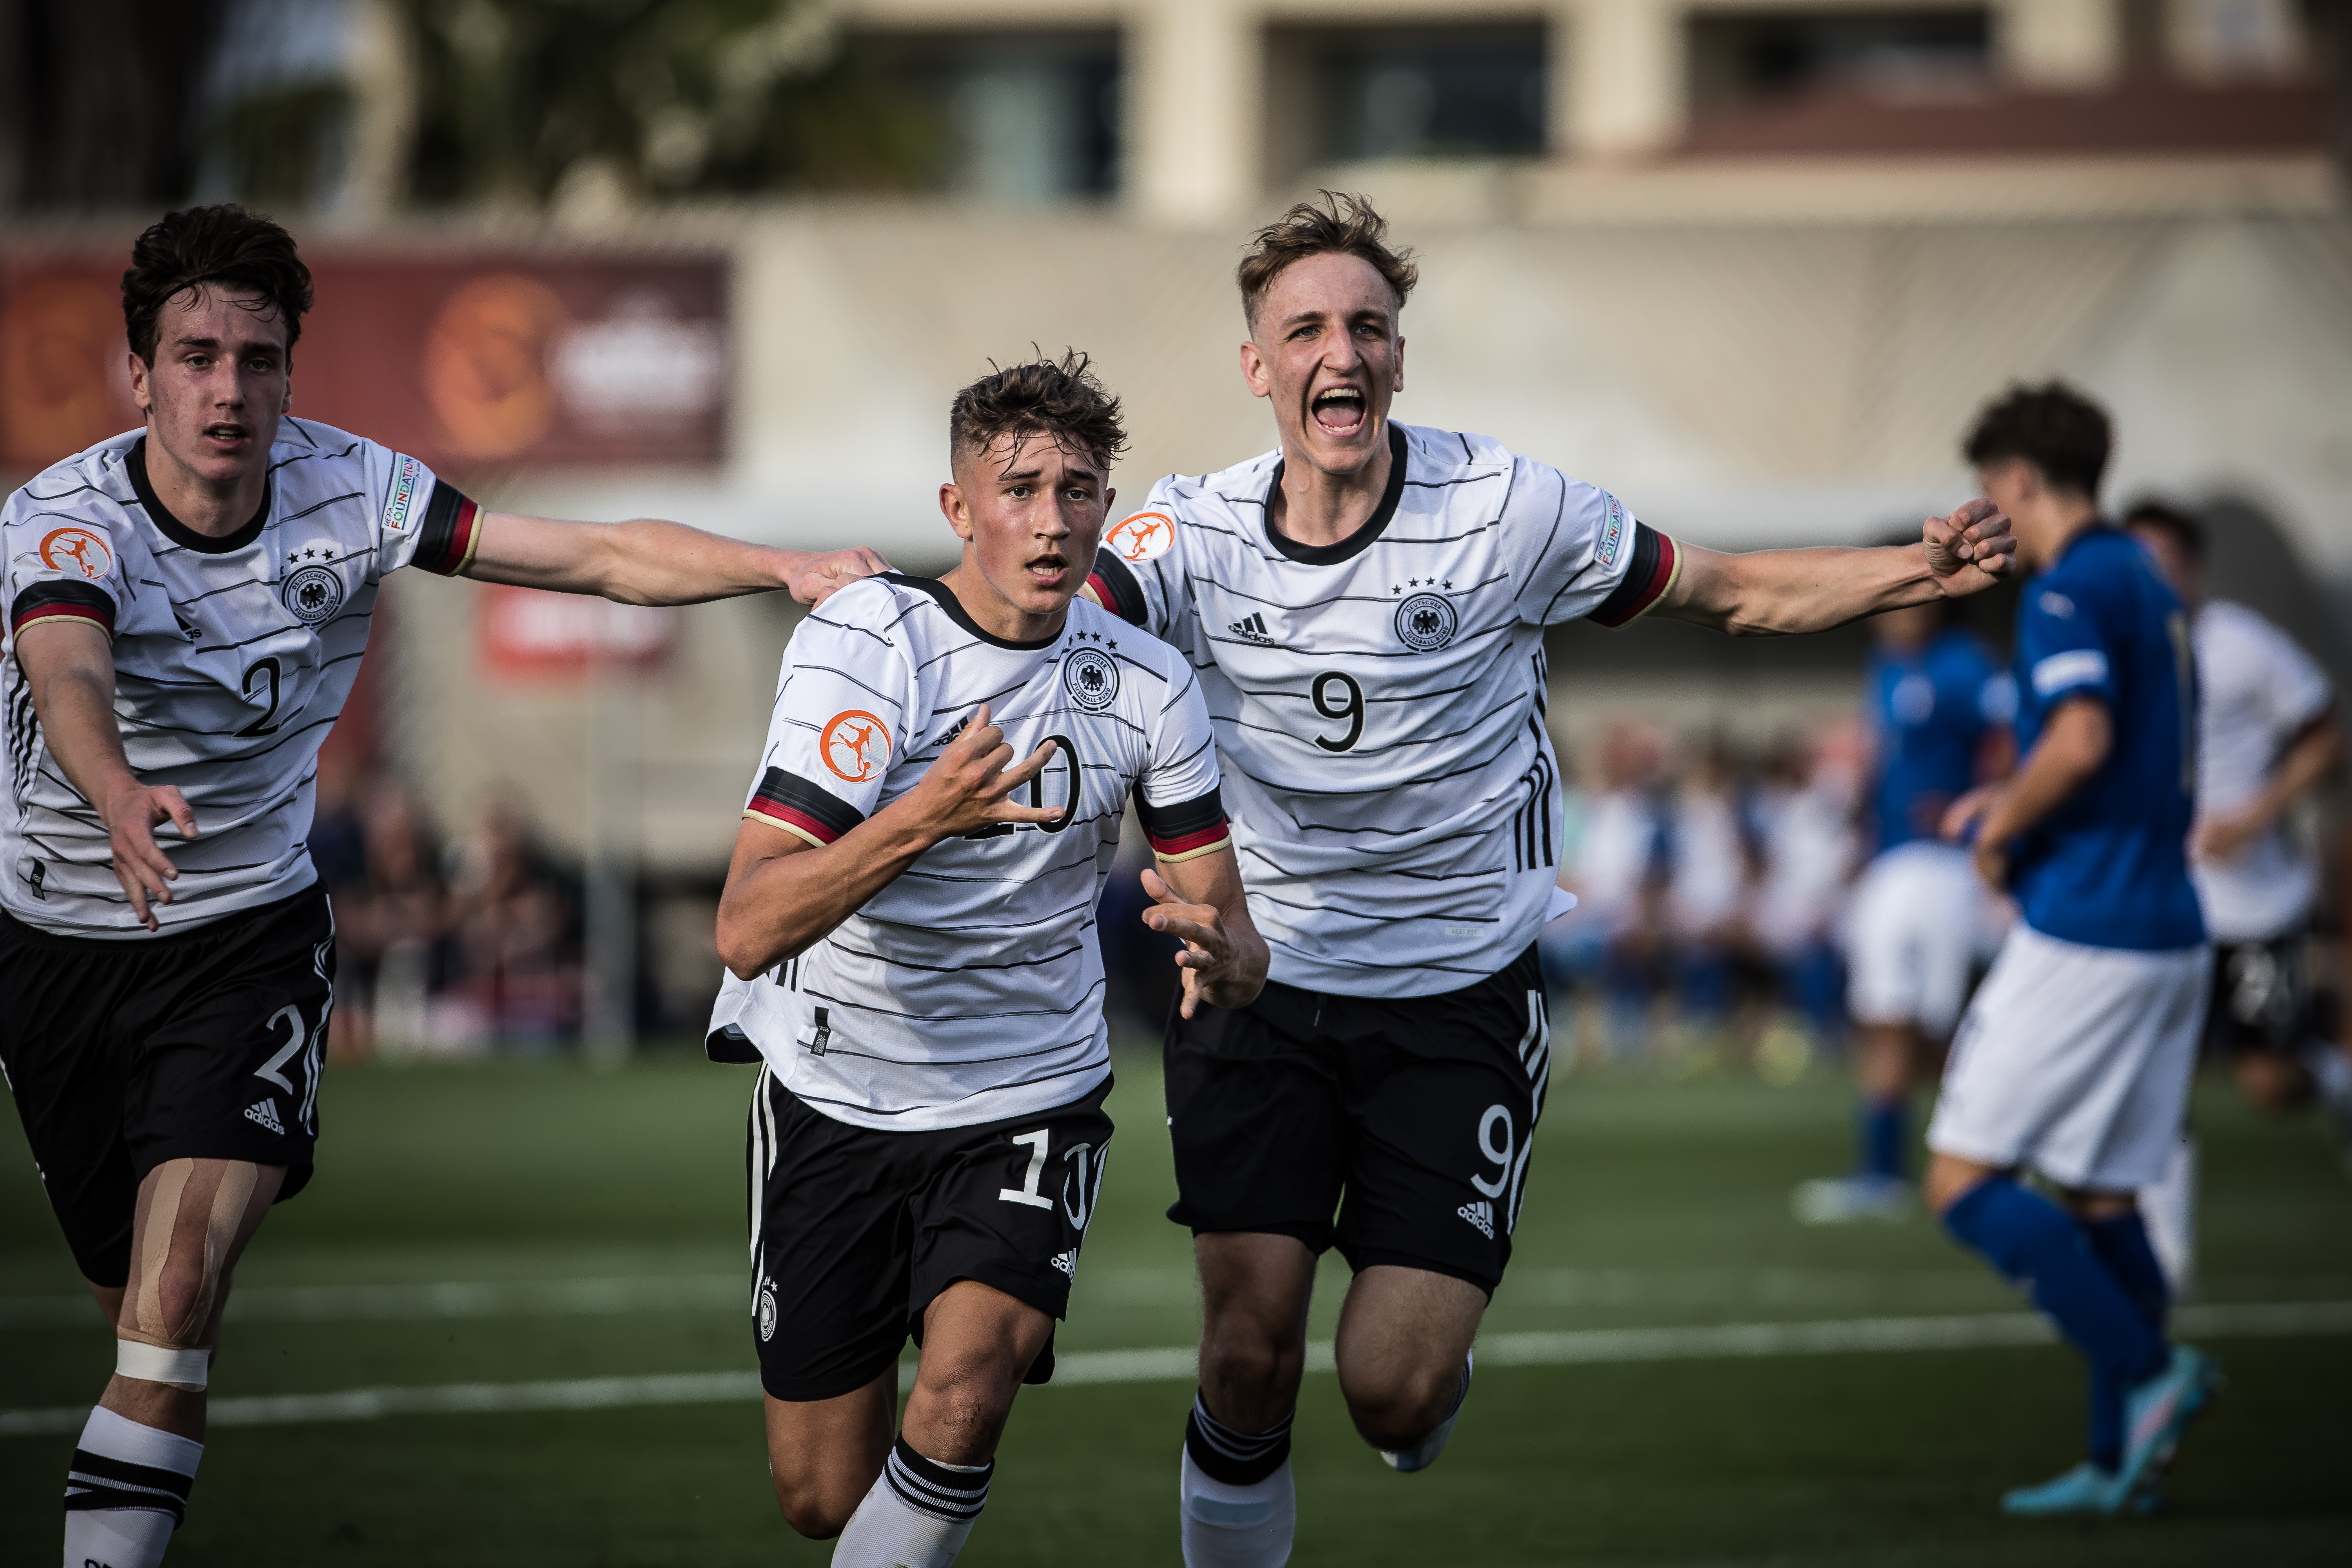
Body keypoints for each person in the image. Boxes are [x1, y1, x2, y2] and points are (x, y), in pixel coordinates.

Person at [1078, 192, 2017, 1568]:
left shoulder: (1510, 510)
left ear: (1400, 357)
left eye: (1369, 327)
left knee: (1392, 1389)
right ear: (1257, 364)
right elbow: (1041, 637)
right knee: (1246, 1356)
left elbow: (1735, 592)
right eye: (1307, 330)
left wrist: (1915, 573)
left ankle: (1430, 1373)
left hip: (1457, 1000)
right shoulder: (1187, 536)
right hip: (1258, 987)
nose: (1342, 353)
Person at [0, 204, 885, 1568]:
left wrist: (779, 568)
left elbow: (592, 555)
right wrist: (115, 789)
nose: (228, 391)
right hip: (53, 943)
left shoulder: (357, 493)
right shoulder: (62, 518)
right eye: (195, 358)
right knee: (141, 1318)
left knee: (170, 1305)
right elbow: (68, 667)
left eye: (257, 359)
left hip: (241, 939)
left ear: (291, 373)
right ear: (140, 376)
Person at [705, 353, 1267, 1568]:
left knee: (964, 1399)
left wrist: (1225, 960)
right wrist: (924, 817)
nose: (1053, 520)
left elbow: (1233, 935)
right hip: (836, 1089)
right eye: (1020, 490)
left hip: (1029, 1094)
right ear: (958, 509)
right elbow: (747, 926)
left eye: (1079, 490)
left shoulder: (1148, 684)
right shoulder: (872, 644)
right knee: (821, 1494)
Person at [1931, 384, 2219, 1516]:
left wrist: (2000, 825)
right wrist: (2014, 802)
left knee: (1963, 1181)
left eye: (1985, 487)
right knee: (2102, 1196)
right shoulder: (2148, 579)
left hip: (2091, 926)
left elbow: (2084, 737)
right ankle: (2118, 1463)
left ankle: (2149, 1373)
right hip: (2169, 925)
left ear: (2017, 480)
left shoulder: (2067, 586)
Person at [2125, 501, 2347, 1286]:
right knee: (2160, 1075)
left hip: (2255, 901)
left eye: (2162, 562)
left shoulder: (2243, 644)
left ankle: (2336, 1080)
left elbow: (2324, 735)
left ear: (2195, 568)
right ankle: (2168, 1256)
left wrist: (2256, 815)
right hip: (2165, 902)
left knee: (2268, 1083)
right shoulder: (2122, 649)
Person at [1793, 594, 2012, 1223]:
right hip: (1891, 862)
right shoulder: (1888, 668)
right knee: (1885, 1015)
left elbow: (2015, 738)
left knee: (1935, 1027)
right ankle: (1886, 1172)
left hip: (1942, 863)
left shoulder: (1963, 664)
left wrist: (1990, 807)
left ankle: (1994, 1149)